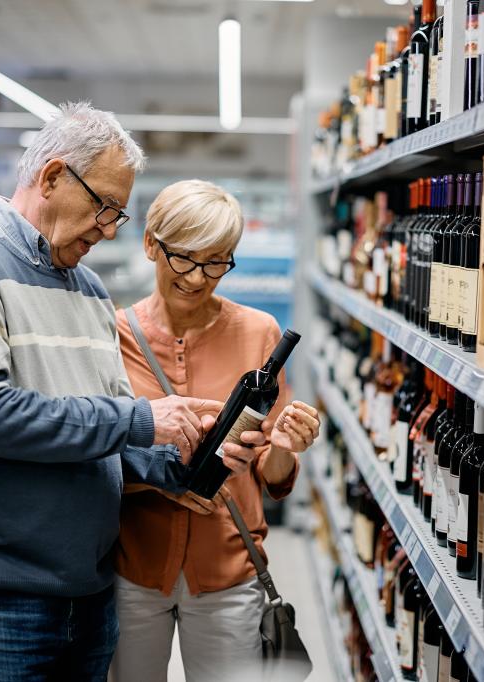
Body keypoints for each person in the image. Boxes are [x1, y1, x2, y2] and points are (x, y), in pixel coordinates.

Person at [0, 103, 253, 681]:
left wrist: (183, 457)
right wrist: (143, 420)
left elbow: (106, 433)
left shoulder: (87, 289)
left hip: (88, 592)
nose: (109, 228)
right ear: (53, 175)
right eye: (104, 206)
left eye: (118, 214)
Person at [111, 180, 321, 682]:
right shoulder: (113, 336)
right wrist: (161, 480)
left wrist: (286, 448)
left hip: (229, 568)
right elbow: (97, 454)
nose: (198, 277)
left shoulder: (260, 333)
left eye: (217, 261)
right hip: (135, 566)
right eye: (184, 257)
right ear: (150, 244)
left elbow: (272, 478)